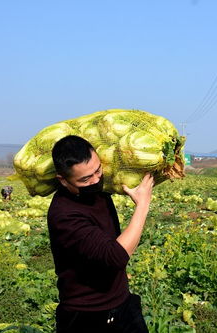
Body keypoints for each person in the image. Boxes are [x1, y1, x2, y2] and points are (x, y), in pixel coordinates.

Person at [47, 135, 154, 332]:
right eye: (86, 179)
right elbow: (115, 257)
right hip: (87, 316)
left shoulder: (100, 190)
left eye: (98, 170)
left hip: (122, 302)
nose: (96, 180)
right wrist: (143, 205)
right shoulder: (64, 214)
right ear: (63, 180)